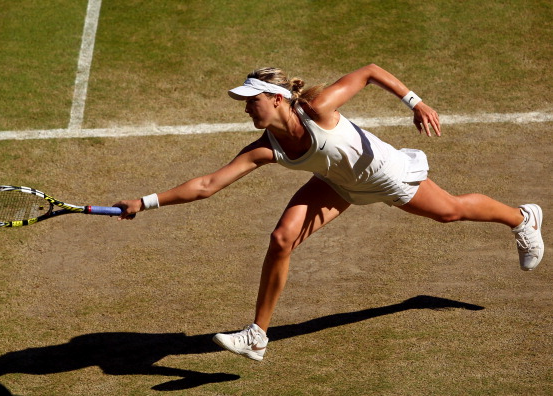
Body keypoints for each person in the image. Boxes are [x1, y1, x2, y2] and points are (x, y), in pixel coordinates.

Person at [113, 64, 544, 362]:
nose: (246, 107)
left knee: (450, 212)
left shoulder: (318, 107)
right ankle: (257, 336)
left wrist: (415, 102)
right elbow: (208, 185)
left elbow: (371, 71)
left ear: (278, 99)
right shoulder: (267, 146)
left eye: (252, 100)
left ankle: (522, 219)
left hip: (383, 173)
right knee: (282, 238)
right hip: (336, 184)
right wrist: (145, 202)